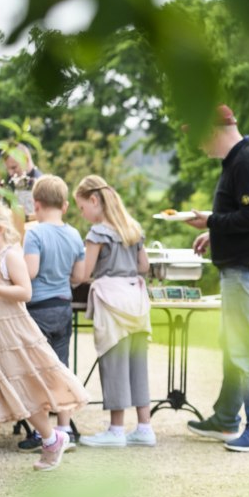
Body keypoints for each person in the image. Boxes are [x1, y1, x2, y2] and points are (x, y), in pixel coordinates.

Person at [0, 199, 89, 479]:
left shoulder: (9, 255)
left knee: (23, 392)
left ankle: (52, 439)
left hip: (9, 334)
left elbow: (25, 292)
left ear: (0, 228)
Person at [184, 104, 249, 452]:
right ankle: (227, 417)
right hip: (241, 266)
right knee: (233, 346)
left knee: (248, 349)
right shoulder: (238, 161)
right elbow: (243, 216)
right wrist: (215, 231)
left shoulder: (246, 162)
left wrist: (212, 222)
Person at [73, 175, 154, 448]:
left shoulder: (97, 234)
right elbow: (143, 266)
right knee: (137, 363)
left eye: (83, 208)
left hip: (111, 302)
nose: (83, 215)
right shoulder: (134, 229)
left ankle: (116, 430)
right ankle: (144, 427)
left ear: (94, 200)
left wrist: (74, 272)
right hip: (136, 299)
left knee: (114, 364)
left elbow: (84, 274)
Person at [16, 175, 87, 452]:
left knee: (37, 371)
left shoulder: (34, 233)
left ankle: (40, 432)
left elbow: (30, 272)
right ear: (66, 205)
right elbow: (79, 276)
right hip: (63, 307)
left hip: (39, 309)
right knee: (61, 369)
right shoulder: (74, 234)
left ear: (36, 204)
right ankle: (65, 427)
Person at [1, 143, 42, 219]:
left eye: (14, 167)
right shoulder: (10, 183)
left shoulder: (43, 185)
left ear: (25, 160)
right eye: (8, 169)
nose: (11, 173)